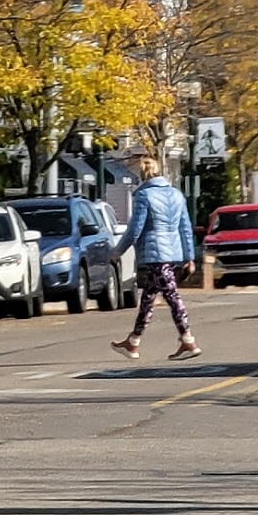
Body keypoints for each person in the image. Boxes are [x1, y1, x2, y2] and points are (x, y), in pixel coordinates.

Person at [108, 154, 200, 360]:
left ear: (143, 175)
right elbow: (185, 227)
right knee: (148, 298)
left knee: (172, 296)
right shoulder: (177, 195)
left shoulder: (144, 196)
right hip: (172, 253)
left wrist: (117, 252)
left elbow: (134, 229)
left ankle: (188, 339)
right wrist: (189, 256)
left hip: (154, 253)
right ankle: (133, 342)